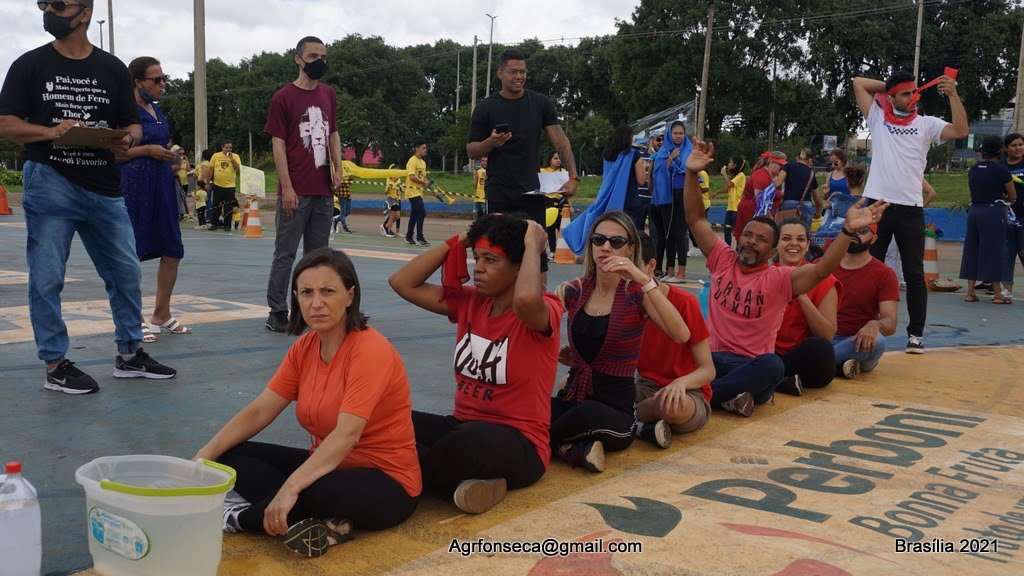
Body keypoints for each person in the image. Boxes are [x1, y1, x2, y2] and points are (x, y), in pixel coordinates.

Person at [0, 1, 179, 394]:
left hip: (104, 186)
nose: (48, 10)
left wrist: (126, 138)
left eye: (57, 3)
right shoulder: (29, 64)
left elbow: (130, 122)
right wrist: (50, 132)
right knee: (47, 276)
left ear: (84, 12)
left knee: (126, 272)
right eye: (43, 4)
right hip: (50, 181)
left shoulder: (112, 68)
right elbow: (6, 123)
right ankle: (55, 364)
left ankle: (130, 354)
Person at [195, 248, 420, 558]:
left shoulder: (370, 350)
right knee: (227, 457)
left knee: (316, 489)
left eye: (328, 291)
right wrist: (202, 457)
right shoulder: (305, 347)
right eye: (307, 292)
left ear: (350, 295)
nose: (316, 303)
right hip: (326, 466)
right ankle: (326, 522)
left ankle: (239, 518)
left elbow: (347, 435)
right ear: (296, 298)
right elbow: (260, 411)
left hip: (387, 483)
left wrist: (291, 487)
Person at [684, 139, 887, 417]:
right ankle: (728, 396)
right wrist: (691, 173)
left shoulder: (779, 278)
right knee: (680, 346)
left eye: (760, 239)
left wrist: (848, 231)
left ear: (772, 251)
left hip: (752, 365)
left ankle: (700, 396)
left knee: (772, 367)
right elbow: (696, 219)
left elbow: (822, 270)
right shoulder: (722, 259)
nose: (751, 241)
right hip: (713, 359)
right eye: (747, 235)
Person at [389, 213, 561, 514]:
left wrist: (533, 246)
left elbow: (525, 301)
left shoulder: (544, 310)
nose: (478, 268)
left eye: (491, 260)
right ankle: (469, 483)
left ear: (519, 267)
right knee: (387, 420)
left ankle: (397, 475)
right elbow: (402, 283)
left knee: (468, 442)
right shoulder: (471, 302)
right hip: (460, 426)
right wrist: (462, 239)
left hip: (519, 443)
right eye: (476, 257)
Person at [555, 211, 687, 471]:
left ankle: (548, 442)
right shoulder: (575, 290)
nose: (606, 247)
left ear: (630, 249)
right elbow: (536, 326)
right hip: (573, 396)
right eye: (598, 239)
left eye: (616, 242)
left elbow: (681, 334)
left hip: (614, 412)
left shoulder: (636, 293)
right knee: (534, 411)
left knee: (583, 413)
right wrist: (577, 356)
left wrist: (643, 278)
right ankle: (570, 450)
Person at [853, 70, 968, 353]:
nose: (913, 97)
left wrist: (953, 94)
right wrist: (891, 85)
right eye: (905, 93)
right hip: (877, 207)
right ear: (890, 97)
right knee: (869, 268)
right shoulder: (877, 117)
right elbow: (859, 83)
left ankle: (915, 335)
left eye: (915, 91)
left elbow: (960, 131)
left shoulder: (926, 124)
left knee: (915, 274)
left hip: (911, 209)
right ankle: (863, 326)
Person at [264, 36, 342, 333]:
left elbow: (332, 132)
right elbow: (278, 142)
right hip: (295, 191)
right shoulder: (283, 97)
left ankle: (312, 309)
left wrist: (338, 167)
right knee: (285, 253)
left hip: (323, 190)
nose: (319, 61)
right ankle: (277, 310)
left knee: (319, 256)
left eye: (323, 56)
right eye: (313, 56)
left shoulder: (328, 94)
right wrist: (287, 187)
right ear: (298, 59)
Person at [119, 56, 192, 342]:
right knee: (132, 252)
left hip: (162, 184)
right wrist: (148, 150)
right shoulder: (124, 111)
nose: (162, 84)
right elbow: (115, 154)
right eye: (156, 80)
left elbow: (160, 144)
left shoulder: (159, 110)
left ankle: (161, 313)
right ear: (138, 82)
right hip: (135, 186)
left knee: (172, 248)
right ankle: (134, 318)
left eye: (164, 78)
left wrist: (169, 155)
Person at [467, 48, 579, 225]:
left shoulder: (541, 103)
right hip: (499, 193)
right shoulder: (485, 107)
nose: (519, 76)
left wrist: (573, 177)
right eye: (513, 72)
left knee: (534, 241)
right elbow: (472, 151)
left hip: (532, 192)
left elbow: (561, 142)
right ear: (500, 73)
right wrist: (491, 142)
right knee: (500, 242)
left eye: (522, 71)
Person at [633, 232, 714, 445]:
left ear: (650, 266)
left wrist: (681, 382)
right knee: (571, 384)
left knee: (671, 407)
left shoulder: (684, 302)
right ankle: (640, 426)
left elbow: (708, 370)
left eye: (631, 267)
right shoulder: (622, 299)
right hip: (644, 387)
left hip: (688, 391)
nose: (625, 275)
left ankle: (627, 420)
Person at [773, 219, 841, 394]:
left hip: (799, 356)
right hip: (767, 353)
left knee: (821, 349)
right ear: (776, 244)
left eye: (800, 239)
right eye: (786, 238)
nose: (793, 243)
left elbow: (827, 335)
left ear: (808, 245)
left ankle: (772, 378)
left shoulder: (823, 279)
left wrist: (801, 294)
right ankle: (780, 381)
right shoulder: (766, 275)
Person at [831, 224, 899, 378]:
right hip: (821, 338)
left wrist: (874, 324)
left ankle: (820, 363)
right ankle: (837, 366)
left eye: (862, 230)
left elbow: (890, 323)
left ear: (873, 238)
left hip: (855, 342)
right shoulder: (822, 265)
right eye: (851, 229)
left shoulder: (884, 274)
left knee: (878, 342)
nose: (855, 233)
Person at [960, 135, 1015, 304]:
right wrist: (1004, 199)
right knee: (993, 251)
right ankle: (998, 294)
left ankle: (970, 292)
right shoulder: (1001, 170)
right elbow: (1012, 196)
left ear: (982, 152)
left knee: (972, 249)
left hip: (975, 211)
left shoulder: (973, 170)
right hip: (993, 212)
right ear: (1000, 151)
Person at [649, 120, 691, 283]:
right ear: (670, 134)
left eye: (681, 133)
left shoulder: (689, 149)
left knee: (680, 233)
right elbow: (658, 172)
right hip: (667, 195)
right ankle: (670, 270)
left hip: (683, 193)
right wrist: (671, 158)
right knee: (669, 234)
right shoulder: (664, 150)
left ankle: (681, 272)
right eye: (675, 133)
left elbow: (692, 170)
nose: (678, 136)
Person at [734, 150, 786, 245]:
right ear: (771, 162)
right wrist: (771, 220)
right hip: (752, 212)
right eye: (780, 164)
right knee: (748, 240)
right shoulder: (761, 176)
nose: (782, 168)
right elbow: (761, 201)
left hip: (761, 214)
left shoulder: (773, 176)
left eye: (783, 165)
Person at [774, 148, 822, 226]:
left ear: (797, 158)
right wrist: (818, 214)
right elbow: (818, 200)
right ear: (810, 160)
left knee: (786, 230)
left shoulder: (788, 166)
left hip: (788, 204)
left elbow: (777, 184)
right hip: (806, 206)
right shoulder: (812, 174)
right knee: (803, 232)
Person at [1001, 132, 1024, 297]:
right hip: (1006, 217)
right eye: (1014, 145)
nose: (1018, 148)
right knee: (1006, 254)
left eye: (1020, 144)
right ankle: (1007, 290)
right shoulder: (1001, 167)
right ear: (1006, 148)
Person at [712, 156, 746, 246]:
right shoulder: (735, 176)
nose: (728, 164)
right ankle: (728, 248)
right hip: (730, 208)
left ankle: (739, 248)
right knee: (726, 230)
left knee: (737, 231)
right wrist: (717, 192)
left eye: (730, 162)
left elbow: (729, 184)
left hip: (736, 208)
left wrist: (724, 173)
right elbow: (729, 188)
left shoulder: (741, 175)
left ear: (735, 165)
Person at [209, 141, 240, 231]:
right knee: (216, 205)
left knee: (228, 206)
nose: (229, 149)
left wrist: (232, 159)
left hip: (230, 186)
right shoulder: (216, 156)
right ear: (222, 148)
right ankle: (214, 224)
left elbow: (238, 170)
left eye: (230, 148)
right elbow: (210, 169)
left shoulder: (235, 156)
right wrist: (207, 182)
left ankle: (227, 225)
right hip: (217, 185)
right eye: (227, 148)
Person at [404, 140, 430, 246]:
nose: (425, 150)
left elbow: (423, 177)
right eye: (423, 148)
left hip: (419, 192)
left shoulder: (423, 163)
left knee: (414, 214)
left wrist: (426, 182)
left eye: (425, 148)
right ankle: (420, 237)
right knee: (422, 212)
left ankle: (409, 237)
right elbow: (411, 176)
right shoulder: (412, 161)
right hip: (412, 192)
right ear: (417, 148)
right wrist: (422, 182)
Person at [541, 151, 567, 253]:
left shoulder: (563, 172)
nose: (558, 160)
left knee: (564, 228)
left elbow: (567, 191)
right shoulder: (542, 171)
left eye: (560, 158)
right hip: (547, 202)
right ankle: (553, 251)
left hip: (560, 202)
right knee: (550, 229)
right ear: (550, 160)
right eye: (555, 158)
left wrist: (570, 205)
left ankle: (567, 250)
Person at [381, 167, 402, 237]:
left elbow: (401, 191)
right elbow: (386, 193)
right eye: (396, 173)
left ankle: (385, 225)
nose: (398, 175)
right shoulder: (389, 182)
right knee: (392, 215)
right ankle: (388, 231)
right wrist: (388, 188)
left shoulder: (398, 182)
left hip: (397, 199)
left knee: (397, 216)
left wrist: (402, 188)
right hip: (391, 200)